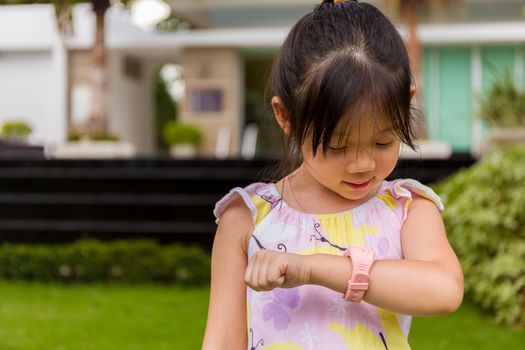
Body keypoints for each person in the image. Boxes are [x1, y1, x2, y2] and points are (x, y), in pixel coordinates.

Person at [202, 0, 464, 349]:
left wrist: (314, 269)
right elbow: (221, 342)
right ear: (286, 117)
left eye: (382, 141)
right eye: (338, 147)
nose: (362, 164)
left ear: (406, 103)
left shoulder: (406, 208)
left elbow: (444, 289)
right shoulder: (247, 218)